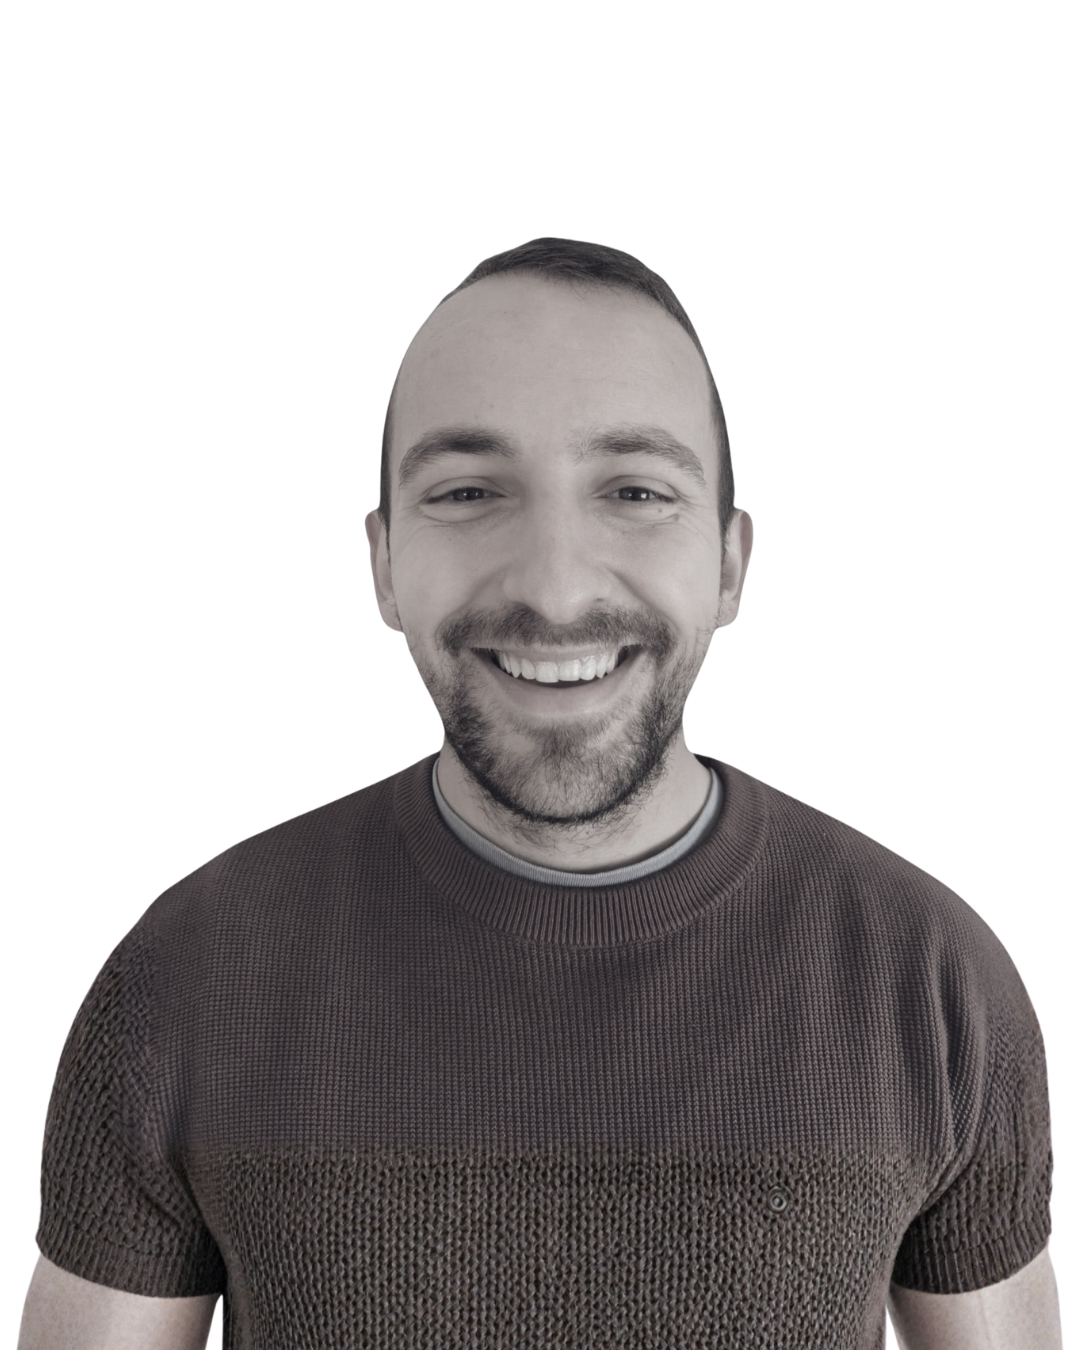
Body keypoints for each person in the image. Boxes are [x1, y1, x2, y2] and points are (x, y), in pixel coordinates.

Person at [20, 238, 1059, 1349]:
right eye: (468, 491)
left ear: (730, 564)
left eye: (637, 490)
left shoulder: (933, 978)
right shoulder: (184, 978)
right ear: (381, 564)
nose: (556, 588)